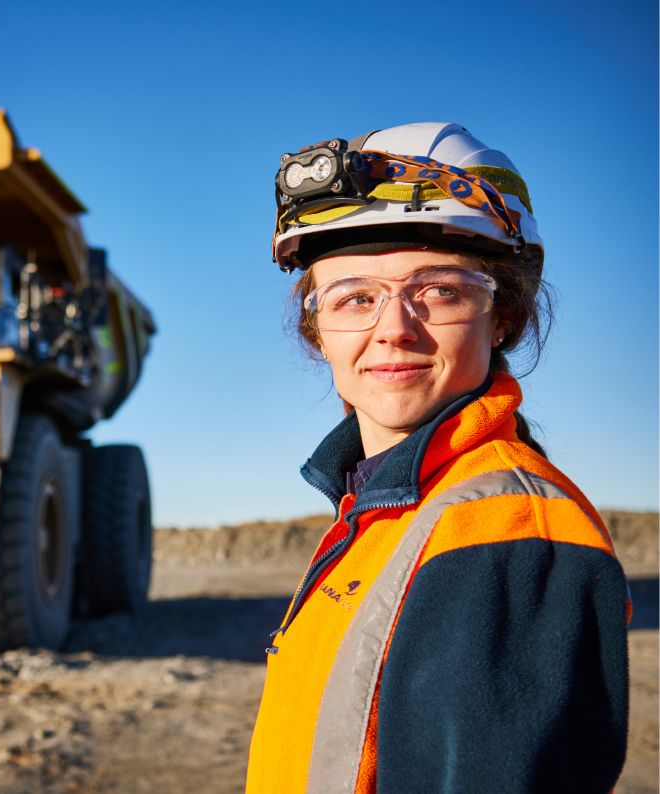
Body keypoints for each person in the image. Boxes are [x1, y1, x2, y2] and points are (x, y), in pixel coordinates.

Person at [246, 123, 629, 793]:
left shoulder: (504, 533)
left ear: (501, 315)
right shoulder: (384, 508)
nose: (393, 327)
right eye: (354, 298)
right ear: (318, 333)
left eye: (440, 291)